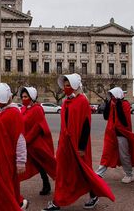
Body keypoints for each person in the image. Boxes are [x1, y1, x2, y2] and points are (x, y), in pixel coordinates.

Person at [42, 73, 115, 211]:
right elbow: (65, 125)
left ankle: (94, 195)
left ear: (75, 86)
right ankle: (58, 201)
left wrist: (81, 147)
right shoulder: (65, 102)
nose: (65, 88)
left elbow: (86, 125)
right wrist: (60, 143)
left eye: (68, 85)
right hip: (66, 145)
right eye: (64, 85)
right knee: (62, 171)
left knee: (83, 172)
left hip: (78, 145)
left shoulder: (82, 101)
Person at [0, 83, 29, 210]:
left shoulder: (14, 113)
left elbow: (20, 138)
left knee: (5, 187)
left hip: (6, 159)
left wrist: (21, 161)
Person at [19, 86, 56, 195]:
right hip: (28, 144)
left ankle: (62, 182)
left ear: (32, 97)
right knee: (38, 165)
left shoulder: (37, 109)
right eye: (22, 97)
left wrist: (26, 140)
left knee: (46, 164)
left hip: (37, 144)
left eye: (25, 97)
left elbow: (38, 127)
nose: (23, 99)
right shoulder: (24, 109)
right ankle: (46, 184)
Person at [95, 87, 134, 184]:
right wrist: (108, 104)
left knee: (124, 156)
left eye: (113, 95)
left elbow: (124, 121)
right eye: (111, 96)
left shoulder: (124, 104)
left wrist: (117, 105)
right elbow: (105, 116)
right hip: (110, 133)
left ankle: (129, 174)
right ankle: (99, 173)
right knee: (106, 153)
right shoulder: (112, 104)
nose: (112, 97)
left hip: (121, 133)